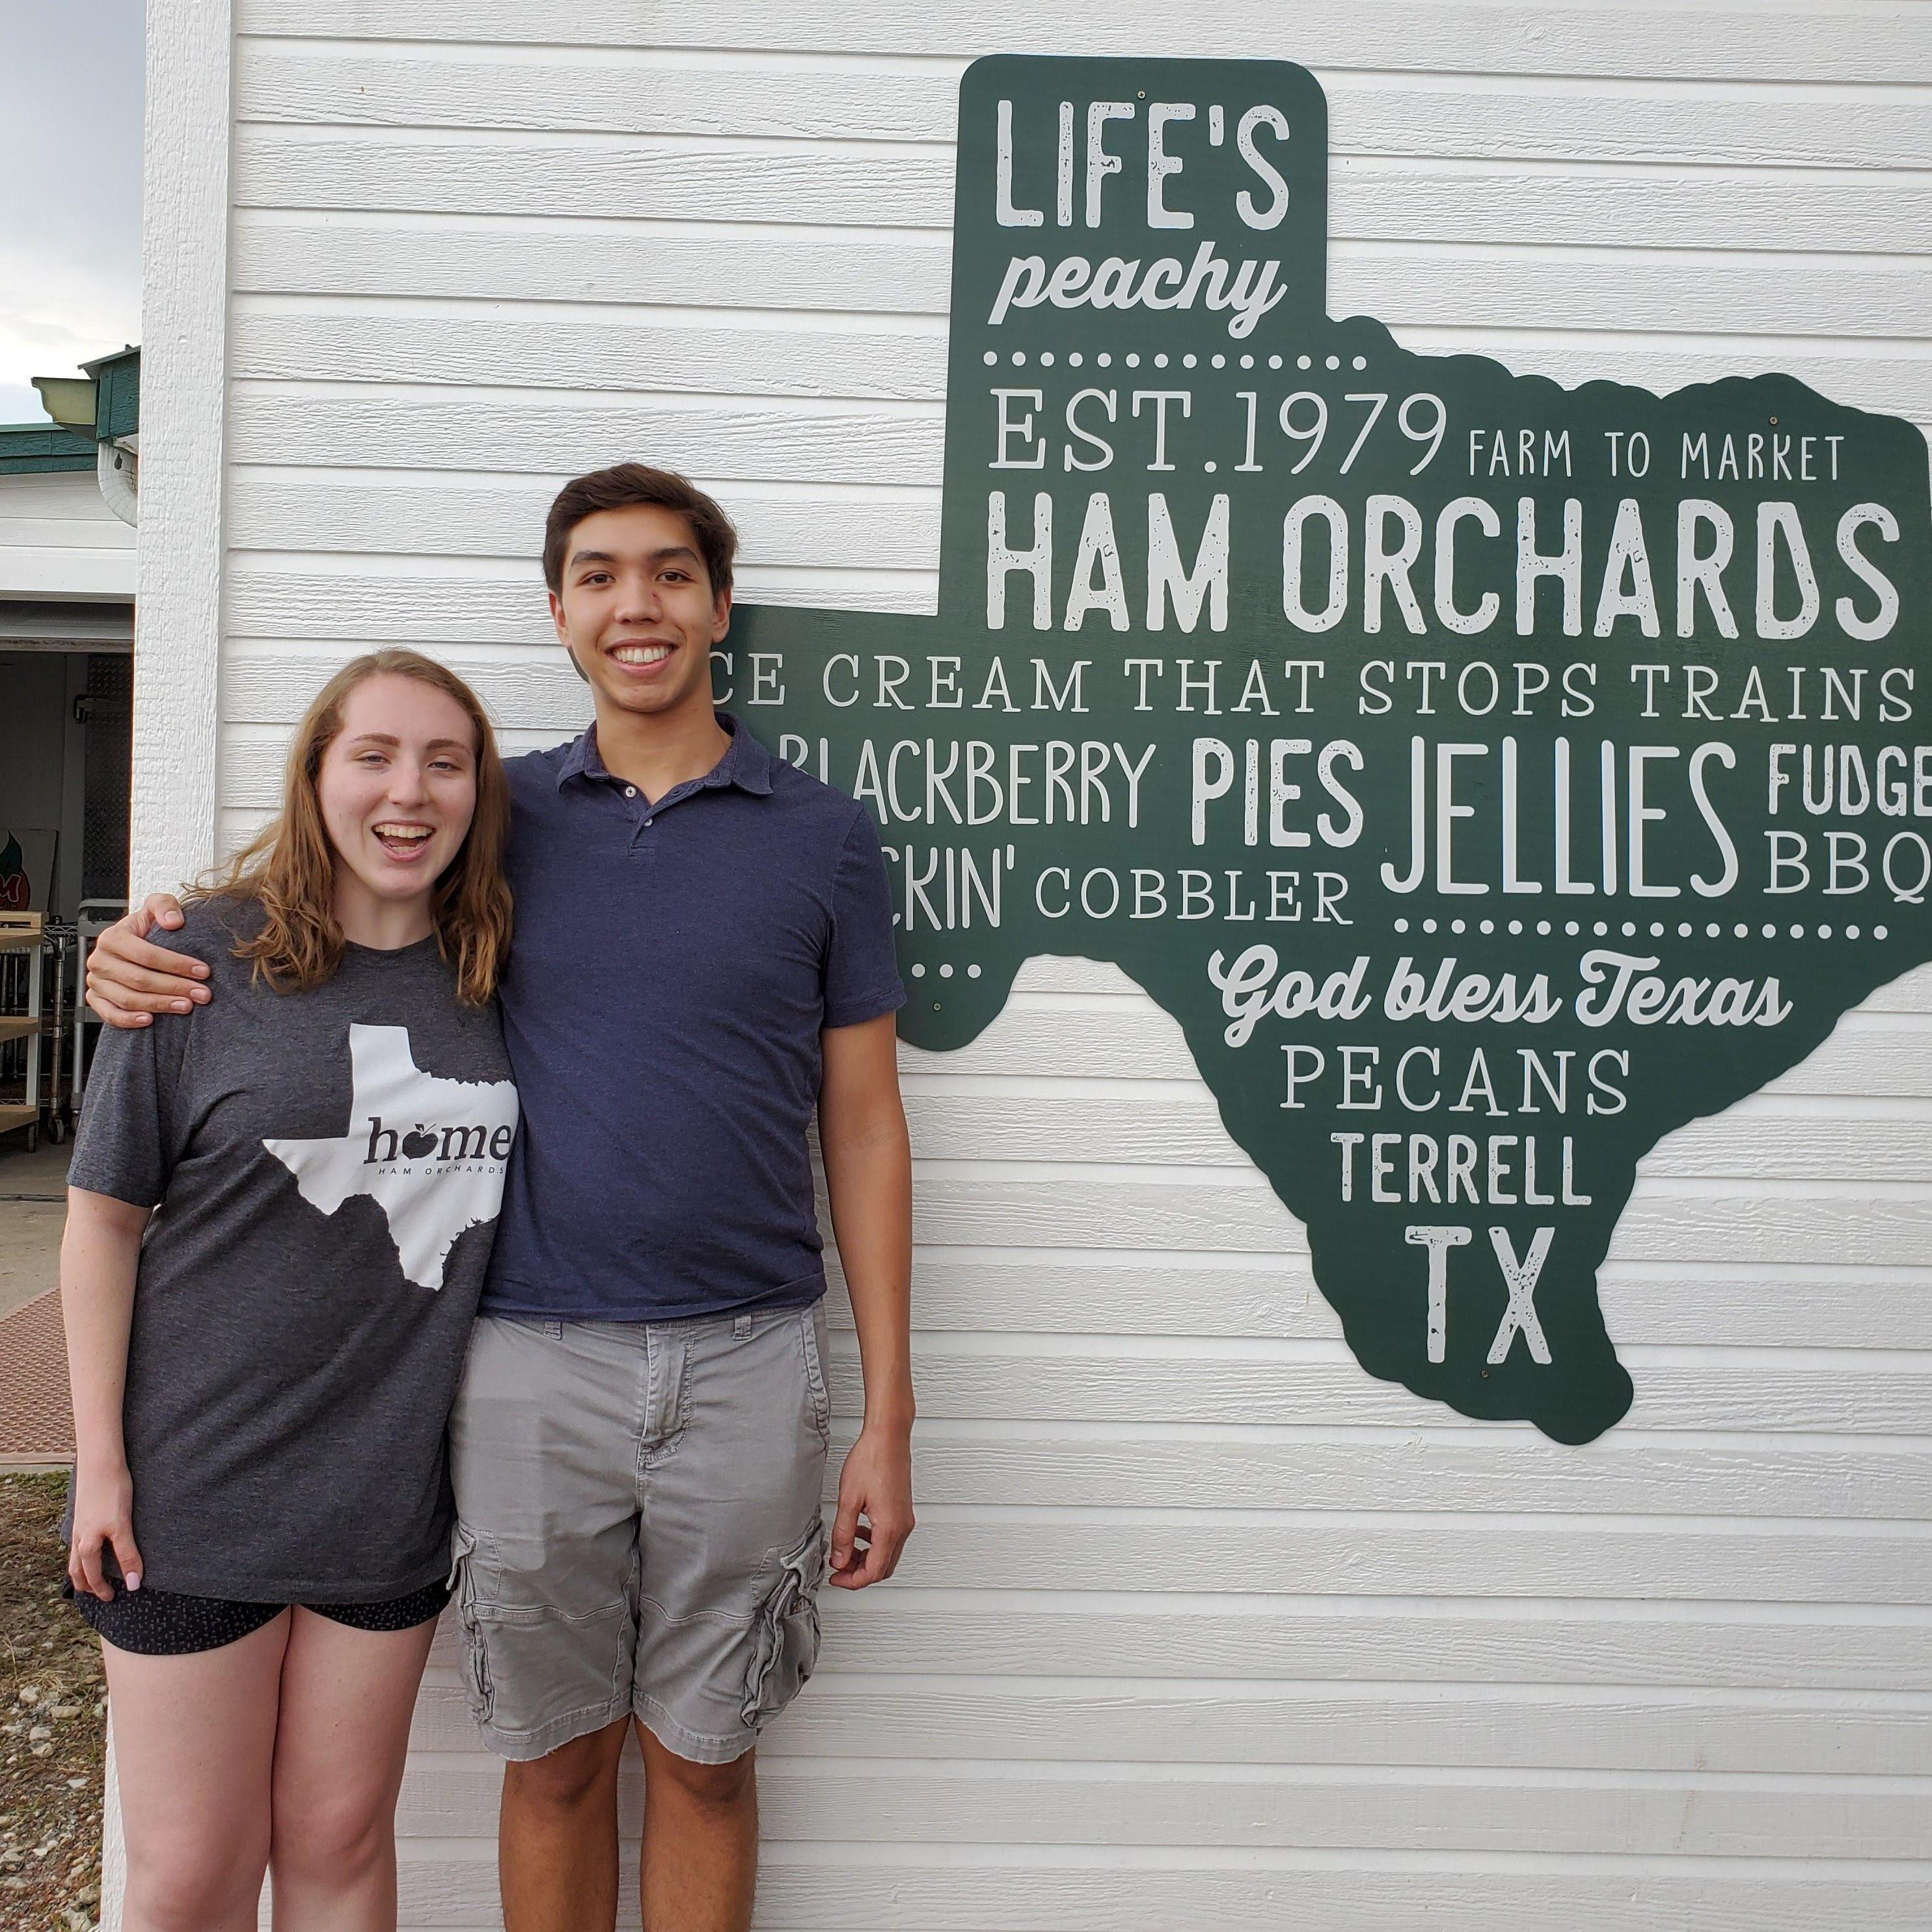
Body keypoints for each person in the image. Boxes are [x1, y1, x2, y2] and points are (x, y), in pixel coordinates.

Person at [86, 464, 918, 1932]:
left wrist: (891, 1416)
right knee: (553, 1766)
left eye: (670, 573)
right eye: (597, 575)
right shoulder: (498, 817)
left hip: (748, 1356)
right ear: (558, 612)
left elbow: (863, 1126)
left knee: (710, 1763)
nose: (636, 604)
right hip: (526, 1358)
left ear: (720, 606)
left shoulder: (823, 836)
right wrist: (148, 939)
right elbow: (334, 882)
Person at [62, 649, 519, 1932]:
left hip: (385, 1500)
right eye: (372, 755)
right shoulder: (199, 960)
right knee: (193, 1870)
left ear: (479, 792)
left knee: (336, 1840)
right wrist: (97, 1466)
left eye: (445, 761)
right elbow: (99, 1223)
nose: (408, 791)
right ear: (316, 773)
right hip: (191, 1492)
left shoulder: (499, 978)